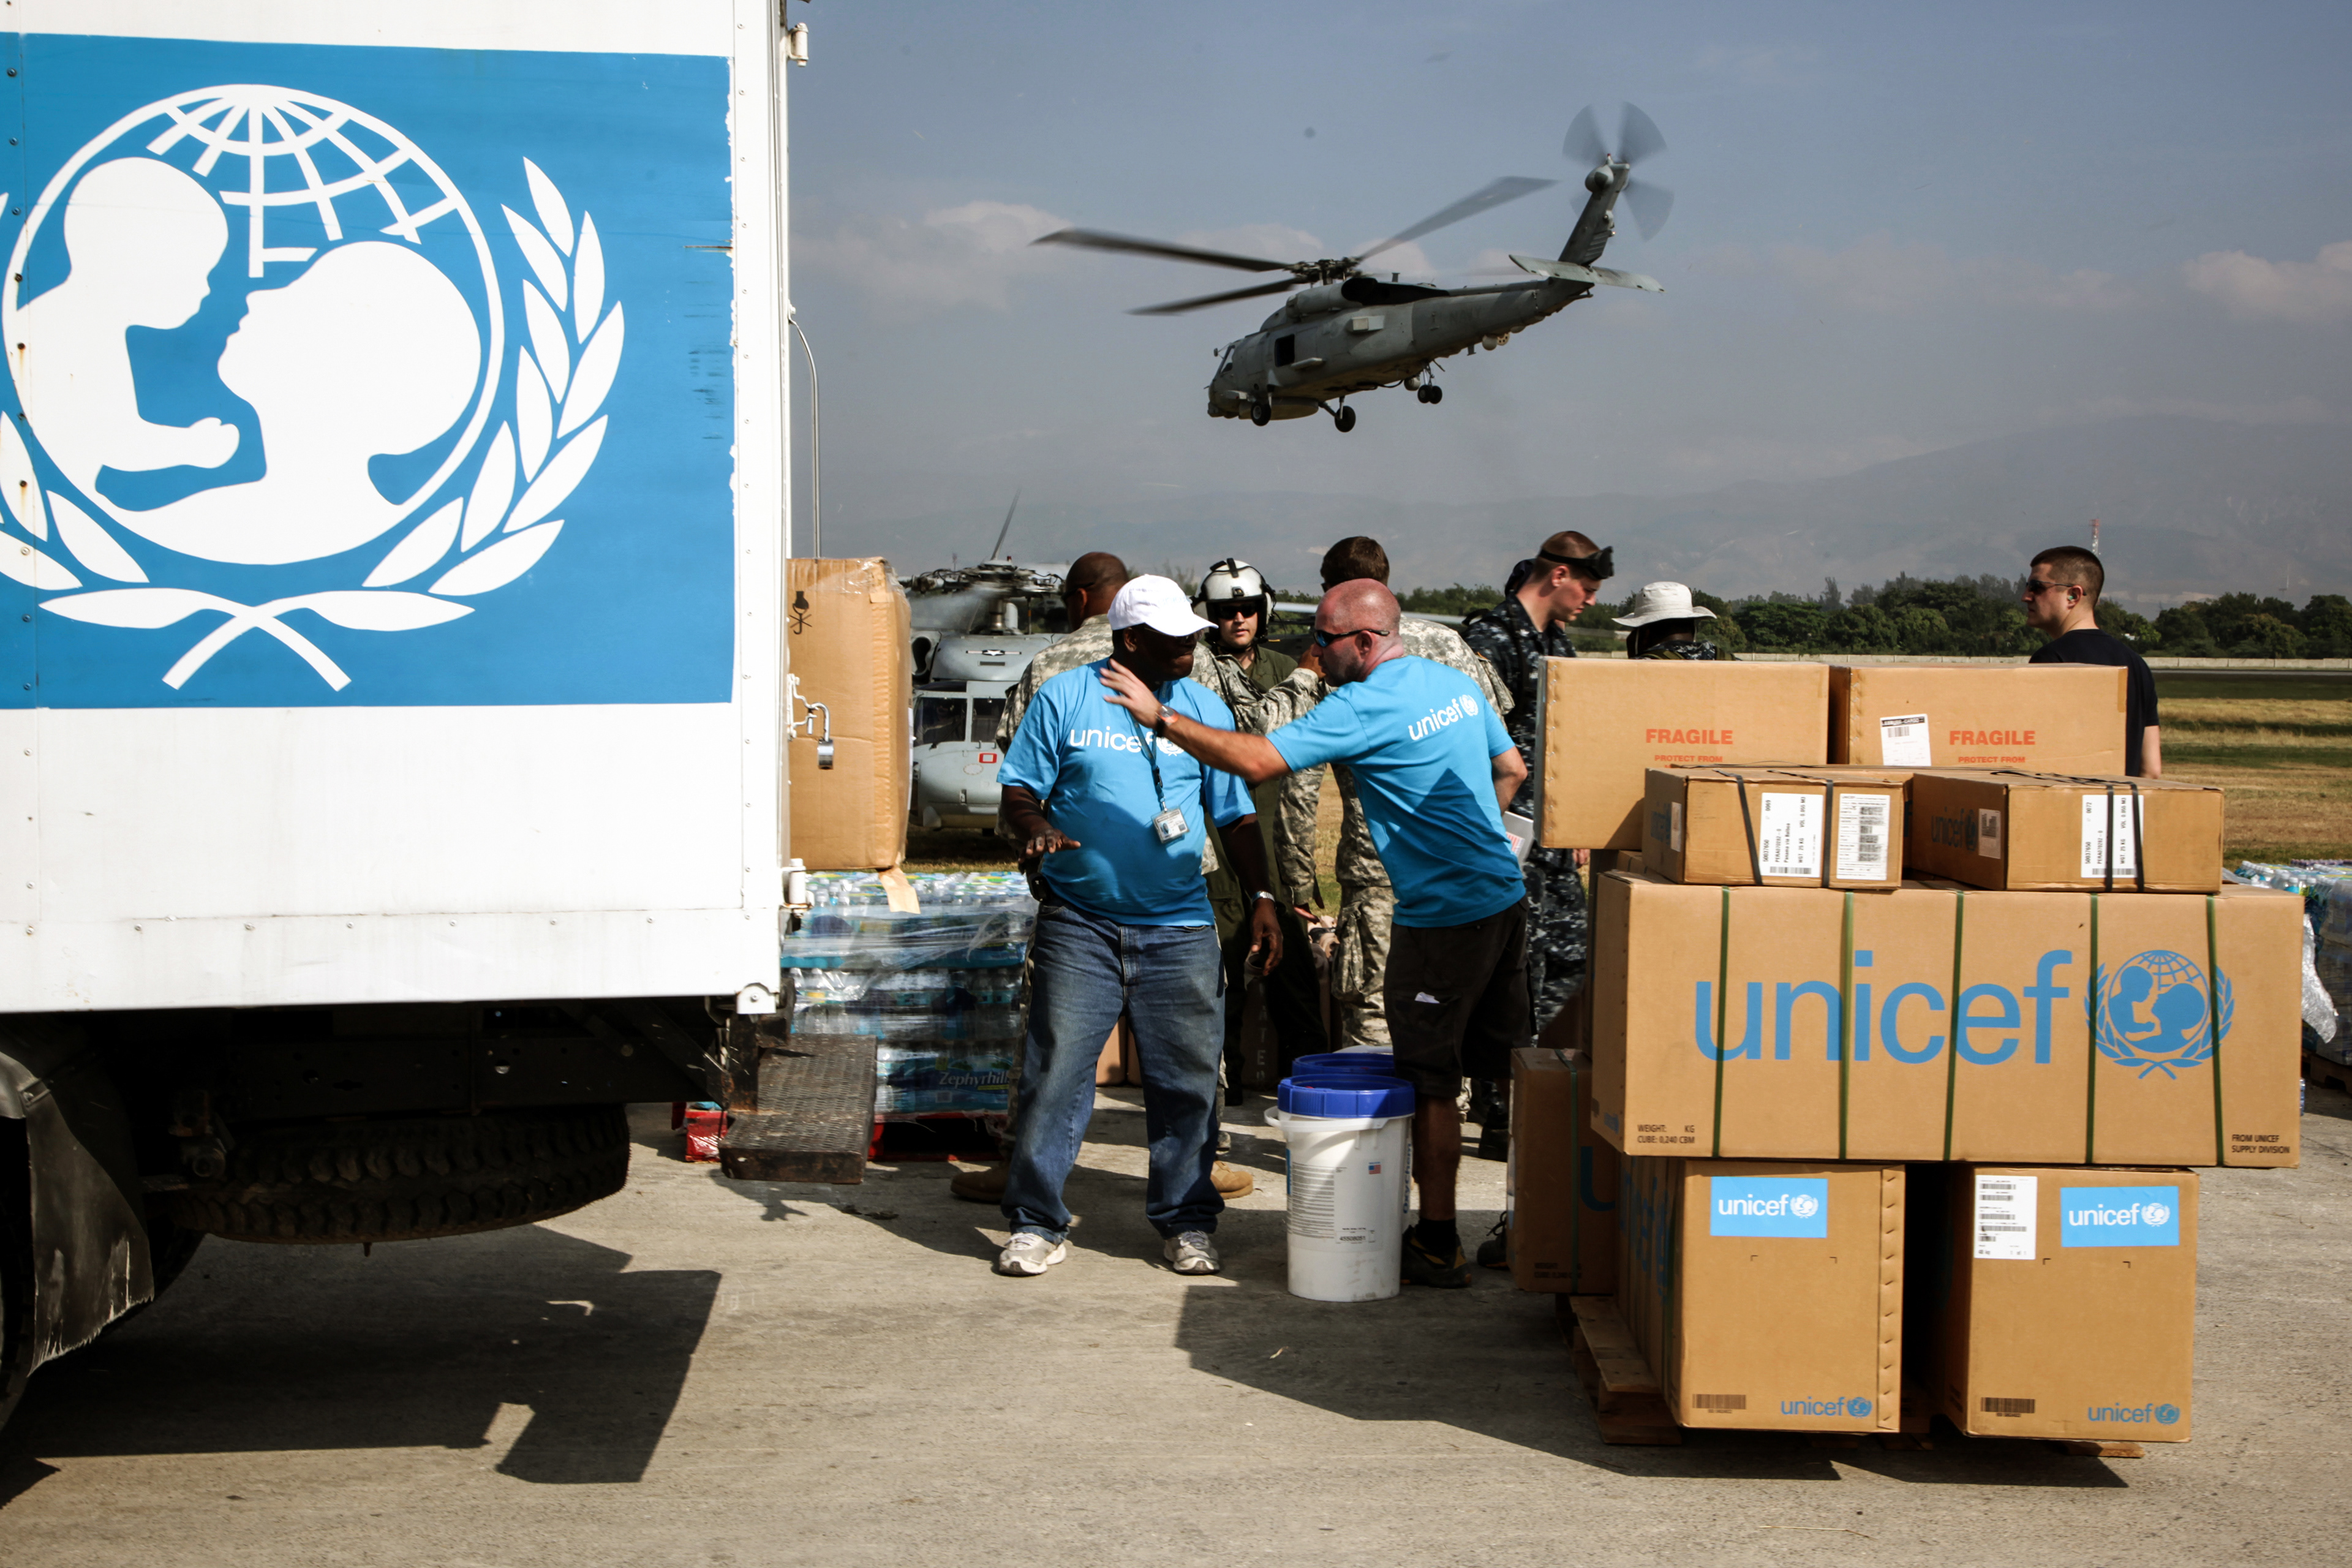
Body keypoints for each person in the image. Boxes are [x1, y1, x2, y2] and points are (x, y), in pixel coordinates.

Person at [1101, 580, 1531, 1291]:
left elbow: (1257, 760)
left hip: (1440, 919)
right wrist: (1467, 837)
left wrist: (1163, 720)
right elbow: (1509, 770)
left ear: (1364, 641)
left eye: (1324, 640)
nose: (1313, 653)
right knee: (1512, 1074)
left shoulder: (1364, 705)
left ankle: (1437, 1240)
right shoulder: (1450, 682)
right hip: (1504, 900)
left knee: (1430, 1082)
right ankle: (1527, 1231)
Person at [992, 576, 1285, 1279]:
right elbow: (1018, 790)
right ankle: (1037, 1223)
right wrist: (1034, 827)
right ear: (1130, 640)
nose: (1192, 644)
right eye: (1176, 636)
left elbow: (1237, 815)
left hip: (1180, 927)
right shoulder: (1066, 696)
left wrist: (1266, 894)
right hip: (1080, 924)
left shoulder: (1200, 706)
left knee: (1187, 1084)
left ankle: (1185, 1221)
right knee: (1055, 1076)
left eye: (1193, 633)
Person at [1258, 538, 1512, 1052]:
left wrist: (1297, 879)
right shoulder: (1449, 646)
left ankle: (1382, 1128)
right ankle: (1460, 1119)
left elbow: (1301, 782)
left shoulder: (1338, 653)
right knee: (1458, 1021)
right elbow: (1501, 750)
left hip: (1379, 871)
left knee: (1377, 1018)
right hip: (1464, 872)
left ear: (1333, 591)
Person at [1194, 559, 1328, 1090]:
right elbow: (1250, 727)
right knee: (1224, 969)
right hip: (1223, 833)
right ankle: (1223, 1087)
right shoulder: (1200, 669)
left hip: (1278, 834)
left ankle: (1310, 1081)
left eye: (1248, 609)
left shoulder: (1283, 665)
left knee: (1292, 966)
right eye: (1227, 612)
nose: (1239, 619)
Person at [2021, 546, 2162, 777]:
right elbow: (2152, 770)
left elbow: (2040, 755)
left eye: (2036, 587)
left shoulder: (2052, 659)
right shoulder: (2137, 665)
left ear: (2073, 595)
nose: (2026, 596)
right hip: (2122, 807)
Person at [1615, 581, 1735, 660]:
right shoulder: (1727, 660)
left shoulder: (1643, 668)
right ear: (1693, 628)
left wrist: (1634, 660)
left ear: (1645, 633)